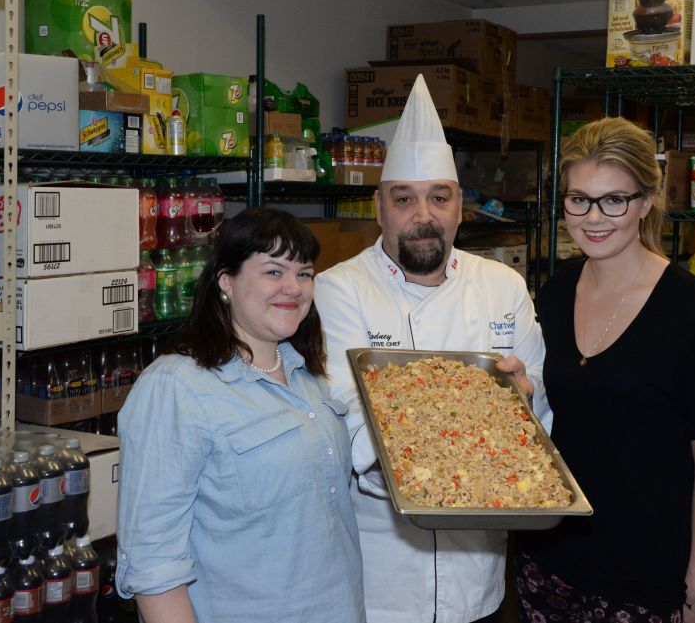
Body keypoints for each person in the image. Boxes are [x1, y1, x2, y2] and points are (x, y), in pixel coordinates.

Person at [315, 74, 548, 623]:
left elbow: (539, 419)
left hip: (479, 570)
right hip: (382, 573)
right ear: (379, 209)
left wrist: (524, 398)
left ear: (460, 206)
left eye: (439, 198)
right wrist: (484, 409)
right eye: (405, 199)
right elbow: (351, 426)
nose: (424, 215)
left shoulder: (503, 286)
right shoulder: (339, 288)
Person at [514, 117, 695, 623]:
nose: (594, 217)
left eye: (614, 199)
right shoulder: (556, 292)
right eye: (579, 199)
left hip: (645, 579)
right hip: (550, 564)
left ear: (645, 203)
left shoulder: (691, 310)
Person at [115, 207, 364, 623]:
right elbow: (153, 560)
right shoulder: (178, 387)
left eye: (304, 273)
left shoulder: (309, 376)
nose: (293, 287)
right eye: (272, 272)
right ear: (225, 281)